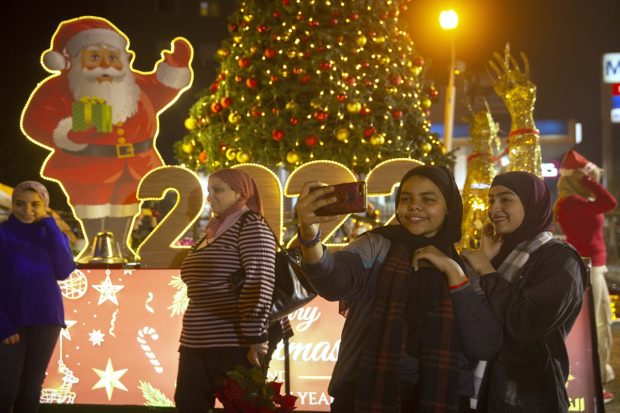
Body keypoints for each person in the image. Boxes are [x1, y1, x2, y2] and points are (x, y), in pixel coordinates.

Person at [296, 165, 502, 413]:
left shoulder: (465, 268)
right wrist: (309, 234)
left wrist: (452, 272)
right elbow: (333, 282)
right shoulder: (376, 245)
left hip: (441, 396)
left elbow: (484, 345)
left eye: (428, 199)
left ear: (449, 207)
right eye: (406, 198)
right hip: (365, 392)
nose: (414, 206)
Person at [21, 16, 193, 258]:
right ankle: (95, 247)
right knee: (93, 207)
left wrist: (175, 67)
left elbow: (162, 88)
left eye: (112, 57)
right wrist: (70, 129)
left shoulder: (135, 84)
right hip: (87, 164)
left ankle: (122, 245)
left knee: (125, 206)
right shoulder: (59, 88)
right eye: (94, 57)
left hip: (135, 163)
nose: (105, 64)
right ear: (72, 60)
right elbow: (34, 122)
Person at [461, 171, 587, 413]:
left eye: (506, 199)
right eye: (491, 200)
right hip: (483, 387)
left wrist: (487, 271)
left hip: (524, 397)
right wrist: (486, 262)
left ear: (532, 204)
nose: (494, 208)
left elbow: (526, 323)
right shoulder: (500, 252)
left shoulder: (560, 259)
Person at [174, 169, 292, 412]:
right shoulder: (213, 230)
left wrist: (255, 337)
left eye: (218, 190)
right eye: (209, 191)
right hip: (196, 339)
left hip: (235, 339)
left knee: (243, 407)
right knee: (188, 404)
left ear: (240, 192)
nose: (210, 198)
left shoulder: (251, 224)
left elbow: (260, 281)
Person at [0, 181, 76, 413]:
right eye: (20, 204)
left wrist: (50, 224)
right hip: (10, 322)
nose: (27, 210)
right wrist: (2, 324)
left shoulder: (52, 233)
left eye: (35, 204)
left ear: (46, 205)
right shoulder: (2, 232)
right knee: (5, 389)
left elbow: (64, 270)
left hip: (46, 319)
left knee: (31, 388)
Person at [555, 149, 617, 404]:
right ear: (576, 178)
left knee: (602, 324)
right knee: (596, 326)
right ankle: (594, 381)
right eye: (587, 175)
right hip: (587, 268)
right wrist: (587, 179)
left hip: (595, 268)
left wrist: (586, 180)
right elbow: (610, 203)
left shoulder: (578, 202)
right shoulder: (571, 203)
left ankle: (599, 375)